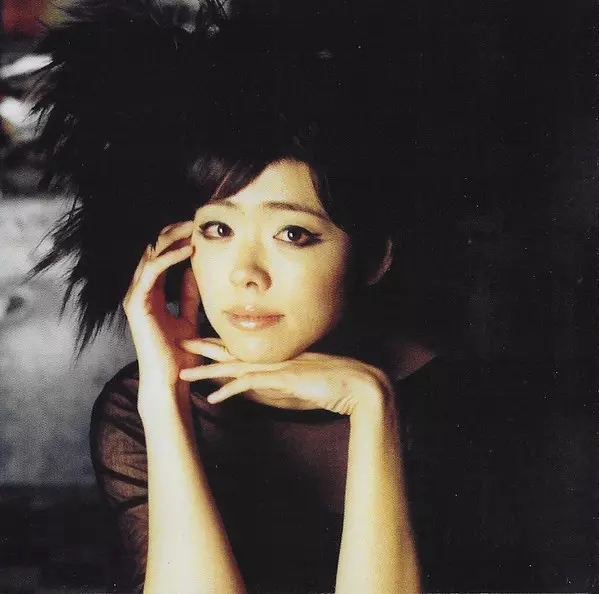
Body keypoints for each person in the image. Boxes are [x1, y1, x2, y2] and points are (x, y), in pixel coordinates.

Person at [33, 1, 596, 593]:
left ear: (373, 258)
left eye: (292, 234)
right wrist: (164, 397)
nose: (246, 274)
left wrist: (373, 408)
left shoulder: (466, 406)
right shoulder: (140, 405)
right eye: (218, 229)